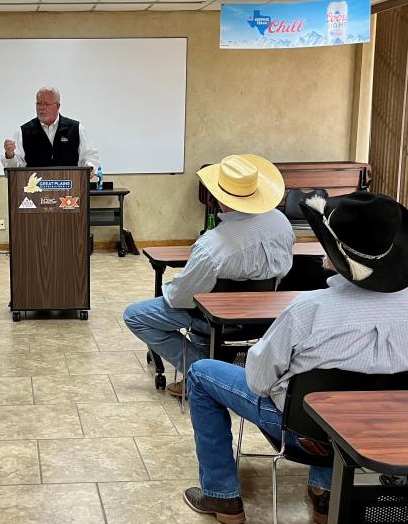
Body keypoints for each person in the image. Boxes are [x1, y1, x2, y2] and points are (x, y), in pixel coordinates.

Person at [183, 192, 408, 524]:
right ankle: (325, 494)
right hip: (378, 430)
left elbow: (259, 381)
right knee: (360, 393)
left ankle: (221, 495)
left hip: (305, 432)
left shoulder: (309, 309)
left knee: (201, 373)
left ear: (332, 251)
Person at [123, 155, 295, 397]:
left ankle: (205, 372)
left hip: (215, 320)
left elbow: (182, 299)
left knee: (135, 315)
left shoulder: (211, 246)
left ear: (218, 199)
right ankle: (217, 367)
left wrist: (170, 285)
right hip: (263, 315)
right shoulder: (281, 223)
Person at [1, 87, 100, 169]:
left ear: (57, 106)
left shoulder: (76, 129)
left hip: (69, 189)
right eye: (39, 103)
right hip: (34, 189)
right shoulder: (23, 131)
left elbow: (89, 156)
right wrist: (10, 155)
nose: (41, 107)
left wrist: (90, 168)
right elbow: (15, 170)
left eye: (46, 104)